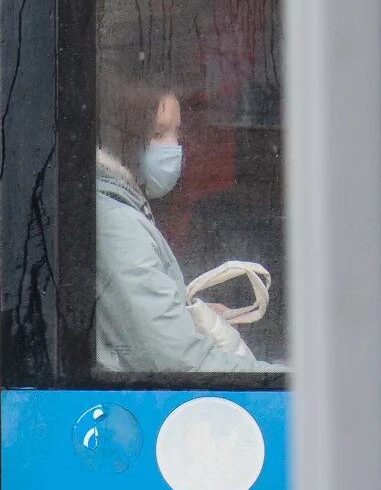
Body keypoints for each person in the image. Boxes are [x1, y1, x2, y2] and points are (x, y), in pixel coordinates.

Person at [93, 82, 276, 375]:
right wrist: (279, 380)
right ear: (121, 137)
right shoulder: (116, 225)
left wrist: (183, 318)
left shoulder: (118, 209)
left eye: (175, 132)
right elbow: (175, 359)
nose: (172, 147)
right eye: (157, 133)